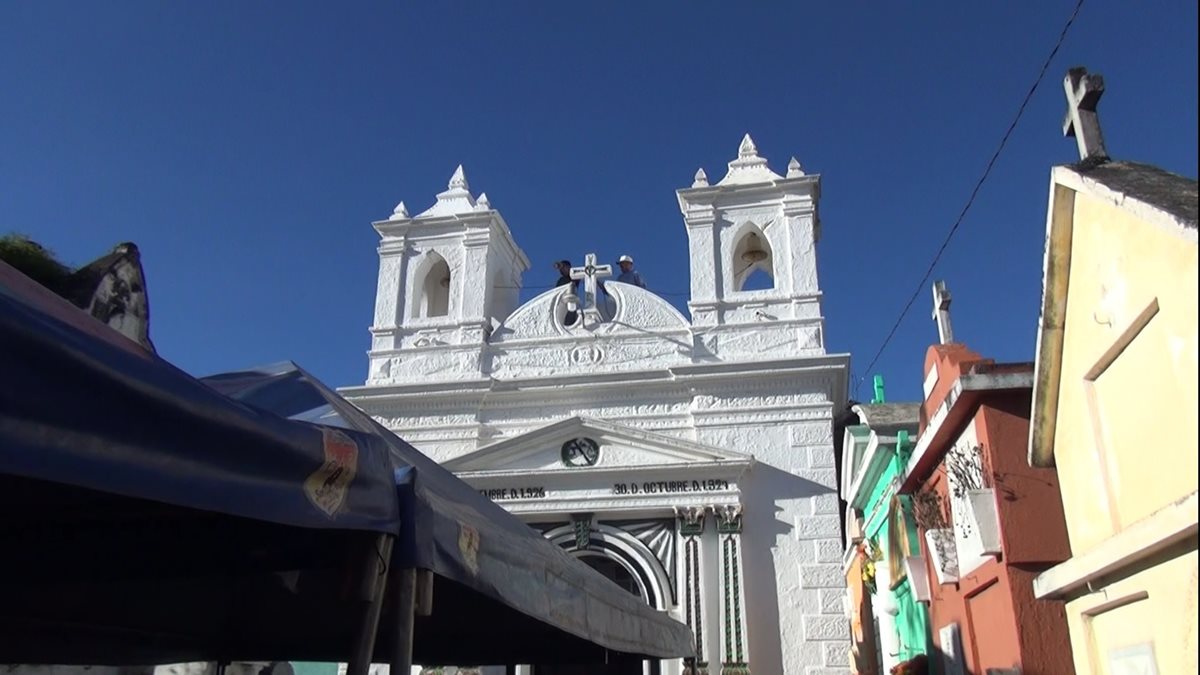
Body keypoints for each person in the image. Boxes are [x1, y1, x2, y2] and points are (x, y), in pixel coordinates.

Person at [554, 260, 580, 325]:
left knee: (570, 317)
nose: (561, 270)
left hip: (570, 301)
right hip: (561, 301)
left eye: (563, 268)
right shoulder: (561, 280)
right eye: (561, 269)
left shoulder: (574, 277)